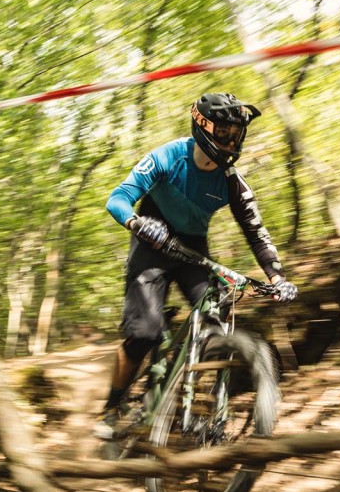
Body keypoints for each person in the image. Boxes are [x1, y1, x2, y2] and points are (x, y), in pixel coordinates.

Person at [95, 92, 297, 441]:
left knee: (216, 316)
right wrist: (136, 222)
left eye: (237, 134)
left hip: (193, 250)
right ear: (202, 126)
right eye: (224, 132)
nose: (231, 141)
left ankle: (192, 398)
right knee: (144, 334)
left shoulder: (232, 180)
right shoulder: (168, 156)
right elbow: (119, 197)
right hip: (151, 243)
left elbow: (255, 230)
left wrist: (277, 277)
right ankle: (112, 407)